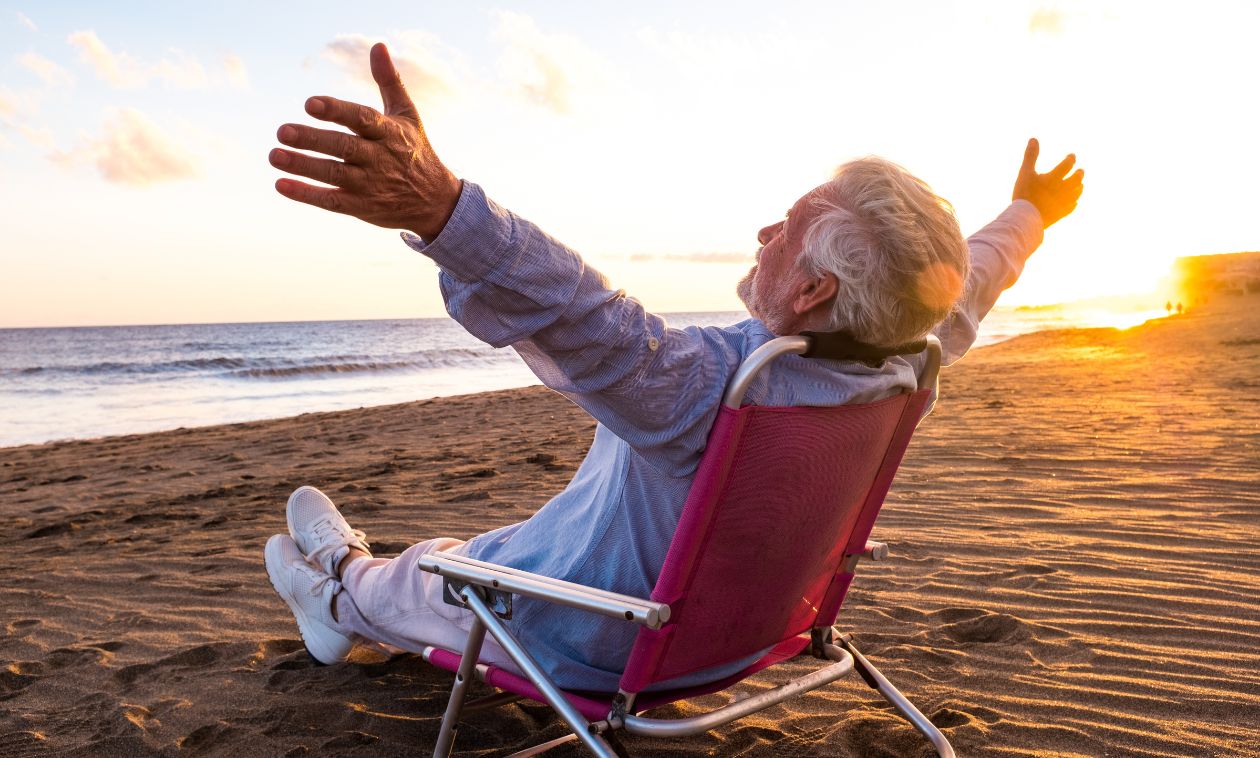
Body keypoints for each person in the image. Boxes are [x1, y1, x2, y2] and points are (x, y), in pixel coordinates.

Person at [263, 43, 1084, 691]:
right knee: (476, 551)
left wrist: (442, 209)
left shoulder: (721, 391)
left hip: (588, 635)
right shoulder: (911, 357)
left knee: (435, 577)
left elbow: (583, 314)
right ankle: (354, 580)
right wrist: (1030, 213)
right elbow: (974, 275)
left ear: (810, 288)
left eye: (789, 226)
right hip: (747, 634)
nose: (766, 229)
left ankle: (335, 590)